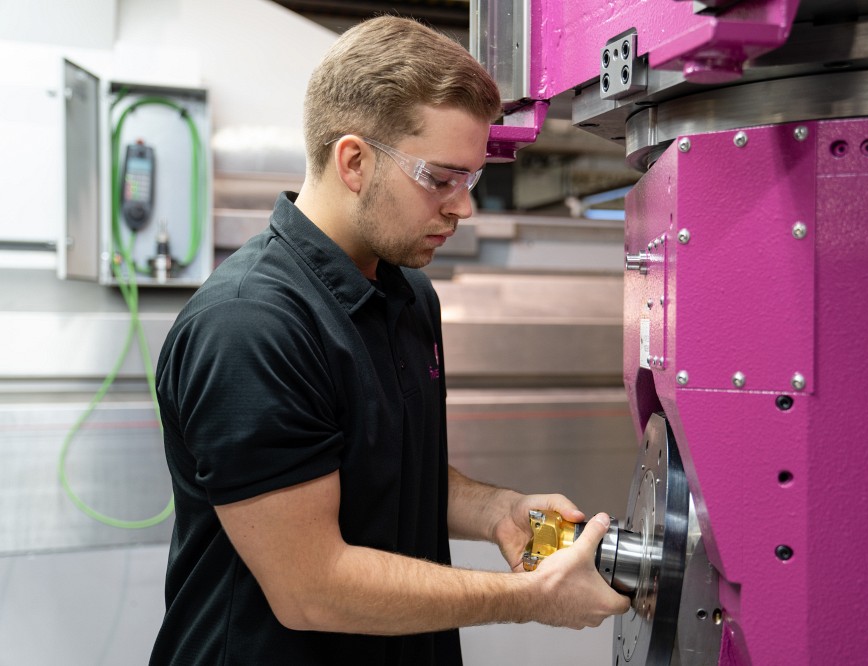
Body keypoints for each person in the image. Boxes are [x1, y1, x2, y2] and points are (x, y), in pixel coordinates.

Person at [149, 15, 630, 665]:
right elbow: (311, 588)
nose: (464, 209)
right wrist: (531, 597)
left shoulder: (406, 293)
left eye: (472, 179)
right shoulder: (251, 326)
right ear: (354, 161)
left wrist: (500, 511)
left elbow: (388, 473)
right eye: (441, 178)